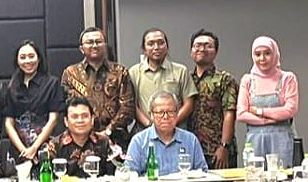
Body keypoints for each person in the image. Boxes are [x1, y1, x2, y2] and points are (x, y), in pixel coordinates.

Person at [61, 27, 135, 149]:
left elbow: (128, 107)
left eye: (98, 41)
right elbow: (68, 107)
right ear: (81, 48)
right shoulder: (71, 73)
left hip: (115, 140)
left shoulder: (120, 72)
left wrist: (108, 131)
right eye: (90, 42)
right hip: (80, 140)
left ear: (105, 45)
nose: (94, 45)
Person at [3, 40, 65, 173]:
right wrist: (23, 150)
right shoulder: (12, 86)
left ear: (39, 58)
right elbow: (8, 123)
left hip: (45, 147)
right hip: (18, 150)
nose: (27, 61)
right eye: (23, 57)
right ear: (17, 61)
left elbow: (54, 119)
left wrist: (34, 148)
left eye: (31, 56)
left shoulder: (52, 83)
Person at [237, 36, 299, 167]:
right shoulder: (247, 80)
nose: (262, 58)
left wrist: (259, 111)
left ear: (275, 54)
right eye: (257, 54)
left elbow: (290, 110)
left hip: (282, 140)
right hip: (255, 141)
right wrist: (267, 121)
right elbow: (241, 114)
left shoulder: (287, 78)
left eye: (267, 53)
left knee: (283, 176)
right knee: (255, 176)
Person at [128, 28, 198, 131]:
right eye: (151, 44)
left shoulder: (181, 71)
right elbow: (132, 105)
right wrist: (150, 125)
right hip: (145, 131)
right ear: (144, 48)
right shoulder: (134, 72)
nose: (156, 47)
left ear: (167, 46)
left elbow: (189, 104)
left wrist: (170, 122)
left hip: (176, 130)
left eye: (161, 43)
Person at [188, 29, 239, 169]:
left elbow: (230, 114)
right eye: (197, 45)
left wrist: (224, 146)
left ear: (216, 52)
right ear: (191, 51)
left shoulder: (225, 79)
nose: (202, 49)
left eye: (208, 46)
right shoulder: (186, 79)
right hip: (192, 149)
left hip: (217, 151)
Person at [125, 91, 208, 176]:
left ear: (177, 114)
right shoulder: (138, 142)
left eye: (170, 112)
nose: (165, 117)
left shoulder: (191, 140)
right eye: (160, 112)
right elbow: (129, 175)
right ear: (151, 115)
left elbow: (203, 173)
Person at [47, 97, 115, 178]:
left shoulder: (104, 142)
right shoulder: (55, 145)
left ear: (92, 119)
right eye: (74, 117)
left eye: (85, 116)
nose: (80, 120)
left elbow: (113, 177)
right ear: (66, 121)